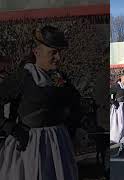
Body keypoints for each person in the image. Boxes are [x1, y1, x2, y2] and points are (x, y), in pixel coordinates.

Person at [0, 25, 81, 180]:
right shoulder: (24, 76)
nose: (58, 57)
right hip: (31, 145)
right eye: (53, 52)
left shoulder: (59, 77)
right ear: (37, 52)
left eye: (59, 52)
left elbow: (75, 101)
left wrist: (72, 127)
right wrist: (10, 127)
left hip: (57, 143)